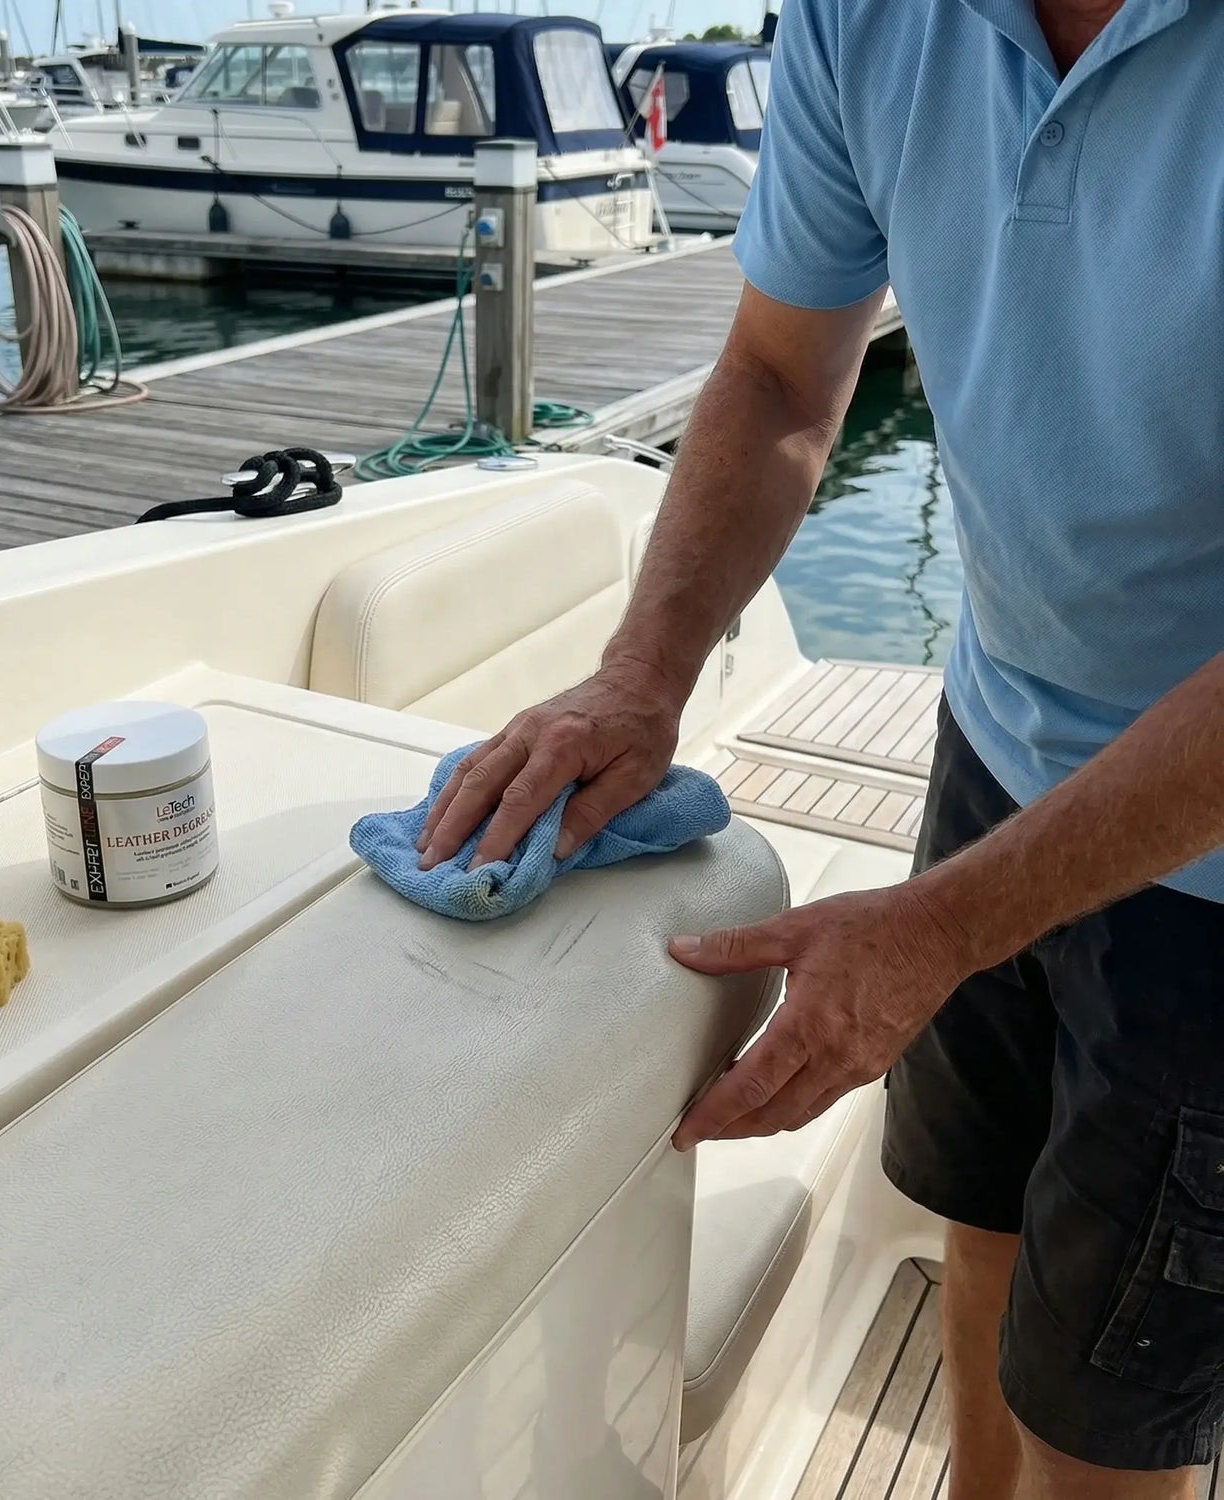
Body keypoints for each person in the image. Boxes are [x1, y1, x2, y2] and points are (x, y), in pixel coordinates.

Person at [416, 1, 1224, 1496]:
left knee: (1102, 1419)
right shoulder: (874, 17)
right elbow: (783, 375)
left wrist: (943, 929)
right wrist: (641, 677)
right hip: (995, 734)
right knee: (975, 1227)